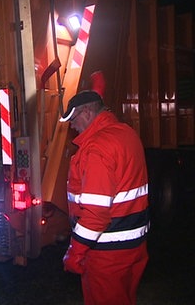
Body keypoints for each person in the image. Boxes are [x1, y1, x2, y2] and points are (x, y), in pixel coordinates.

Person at [59, 89, 150, 305]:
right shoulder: (126, 133)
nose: (72, 125)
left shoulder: (97, 148)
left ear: (88, 112)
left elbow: (96, 214)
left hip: (106, 253)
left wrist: (75, 253)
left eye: (74, 118)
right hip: (133, 247)